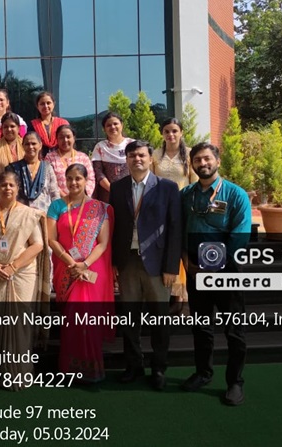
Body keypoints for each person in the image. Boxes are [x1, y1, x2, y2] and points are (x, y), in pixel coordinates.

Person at [180, 142, 252, 406]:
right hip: (195, 272)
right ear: (192, 164)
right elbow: (179, 231)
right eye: (197, 160)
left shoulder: (235, 194)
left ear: (217, 161)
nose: (203, 163)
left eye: (207, 158)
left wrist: (212, 268)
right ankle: (203, 373)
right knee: (201, 327)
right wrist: (188, 263)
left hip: (227, 272)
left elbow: (240, 237)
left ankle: (235, 382)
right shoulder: (186, 195)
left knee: (234, 331)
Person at [109, 140, 181, 390]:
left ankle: (159, 368)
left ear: (151, 159)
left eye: (141, 155)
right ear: (126, 160)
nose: (136, 159)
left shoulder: (167, 187)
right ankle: (134, 365)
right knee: (130, 319)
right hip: (127, 262)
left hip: (158, 265)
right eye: (132, 156)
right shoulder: (117, 188)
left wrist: (171, 266)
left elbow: (175, 228)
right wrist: (114, 262)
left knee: (160, 319)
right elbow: (115, 227)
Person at [0, 171, 49, 390]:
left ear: (18, 189)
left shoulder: (29, 214)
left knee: (20, 321)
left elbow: (38, 244)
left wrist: (13, 266)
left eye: (11, 185)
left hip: (21, 274)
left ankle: (20, 373)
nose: (7, 188)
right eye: (3, 185)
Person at [46, 163, 114, 382]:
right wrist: (70, 262)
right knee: (72, 320)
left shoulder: (99, 208)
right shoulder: (57, 206)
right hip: (66, 268)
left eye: (78, 178)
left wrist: (84, 265)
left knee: (88, 319)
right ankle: (70, 368)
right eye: (70, 178)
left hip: (91, 270)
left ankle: (91, 369)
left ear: (86, 181)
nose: (73, 182)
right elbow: (51, 239)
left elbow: (102, 243)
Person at [153, 118, 197, 306]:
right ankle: (171, 294)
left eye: (174, 131)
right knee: (168, 249)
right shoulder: (155, 154)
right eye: (167, 131)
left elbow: (194, 183)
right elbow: (150, 183)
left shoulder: (190, 154)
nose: (171, 135)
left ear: (181, 133)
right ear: (162, 134)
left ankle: (185, 296)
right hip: (161, 210)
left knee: (183, 250)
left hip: (183, 207)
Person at [7, 132, 61, 212]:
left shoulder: (47, 167)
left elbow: (54, 194)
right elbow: (9, 195)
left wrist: (56, 213)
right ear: (23, 146)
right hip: (20, 215)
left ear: (40, 145)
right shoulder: (13, 169)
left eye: (33, 143)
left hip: (44, 214)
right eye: (27, 144)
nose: (30, 147)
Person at [92, 112, 135, 202]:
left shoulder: (132, 144)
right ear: (104, 129)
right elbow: (98, 172)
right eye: (108, 125)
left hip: (131, 193)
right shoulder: (100, 147)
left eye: (115, 124)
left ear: (122, 125)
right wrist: (113, 190)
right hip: (107, 195)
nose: (112, 127)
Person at [45, 124, 96, 197]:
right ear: (57, 139)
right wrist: (66, 198)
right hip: (60, 200)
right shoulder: (50, 158)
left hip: (82, 200)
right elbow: (49, 182)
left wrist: (81, 197)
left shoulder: (83, 157)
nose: (65, 140)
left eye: (68, 137)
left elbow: (90, 179)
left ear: (74, 138)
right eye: (61, 137)